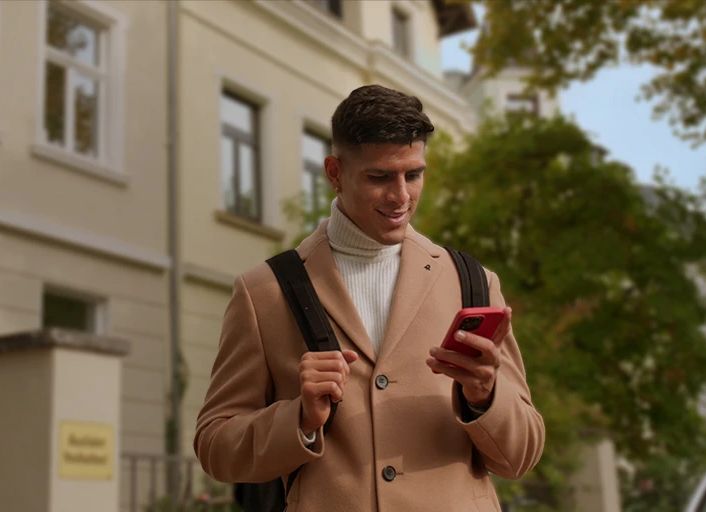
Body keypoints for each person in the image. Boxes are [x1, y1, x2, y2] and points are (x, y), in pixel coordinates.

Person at [193, 84, 545, 511]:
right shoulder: (263, 291)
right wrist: (299, 419)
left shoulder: (472, 282)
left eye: (413, 175)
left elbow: (521, 456)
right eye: (379, 177)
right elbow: (214, 446)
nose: (401, 197)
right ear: (334, 172)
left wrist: (485, 395)